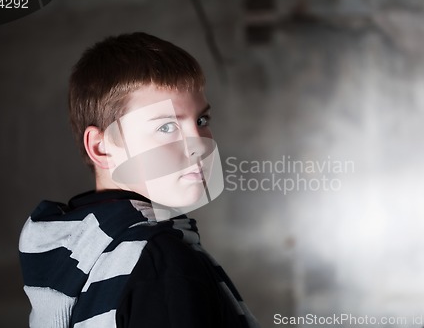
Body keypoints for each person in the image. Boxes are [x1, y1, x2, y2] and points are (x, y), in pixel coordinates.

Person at [18, 32, 260, 328]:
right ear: (101, 147)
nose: (198, 143)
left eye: (201, 121)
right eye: (167, 127)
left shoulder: (77, 250)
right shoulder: (161, 261)